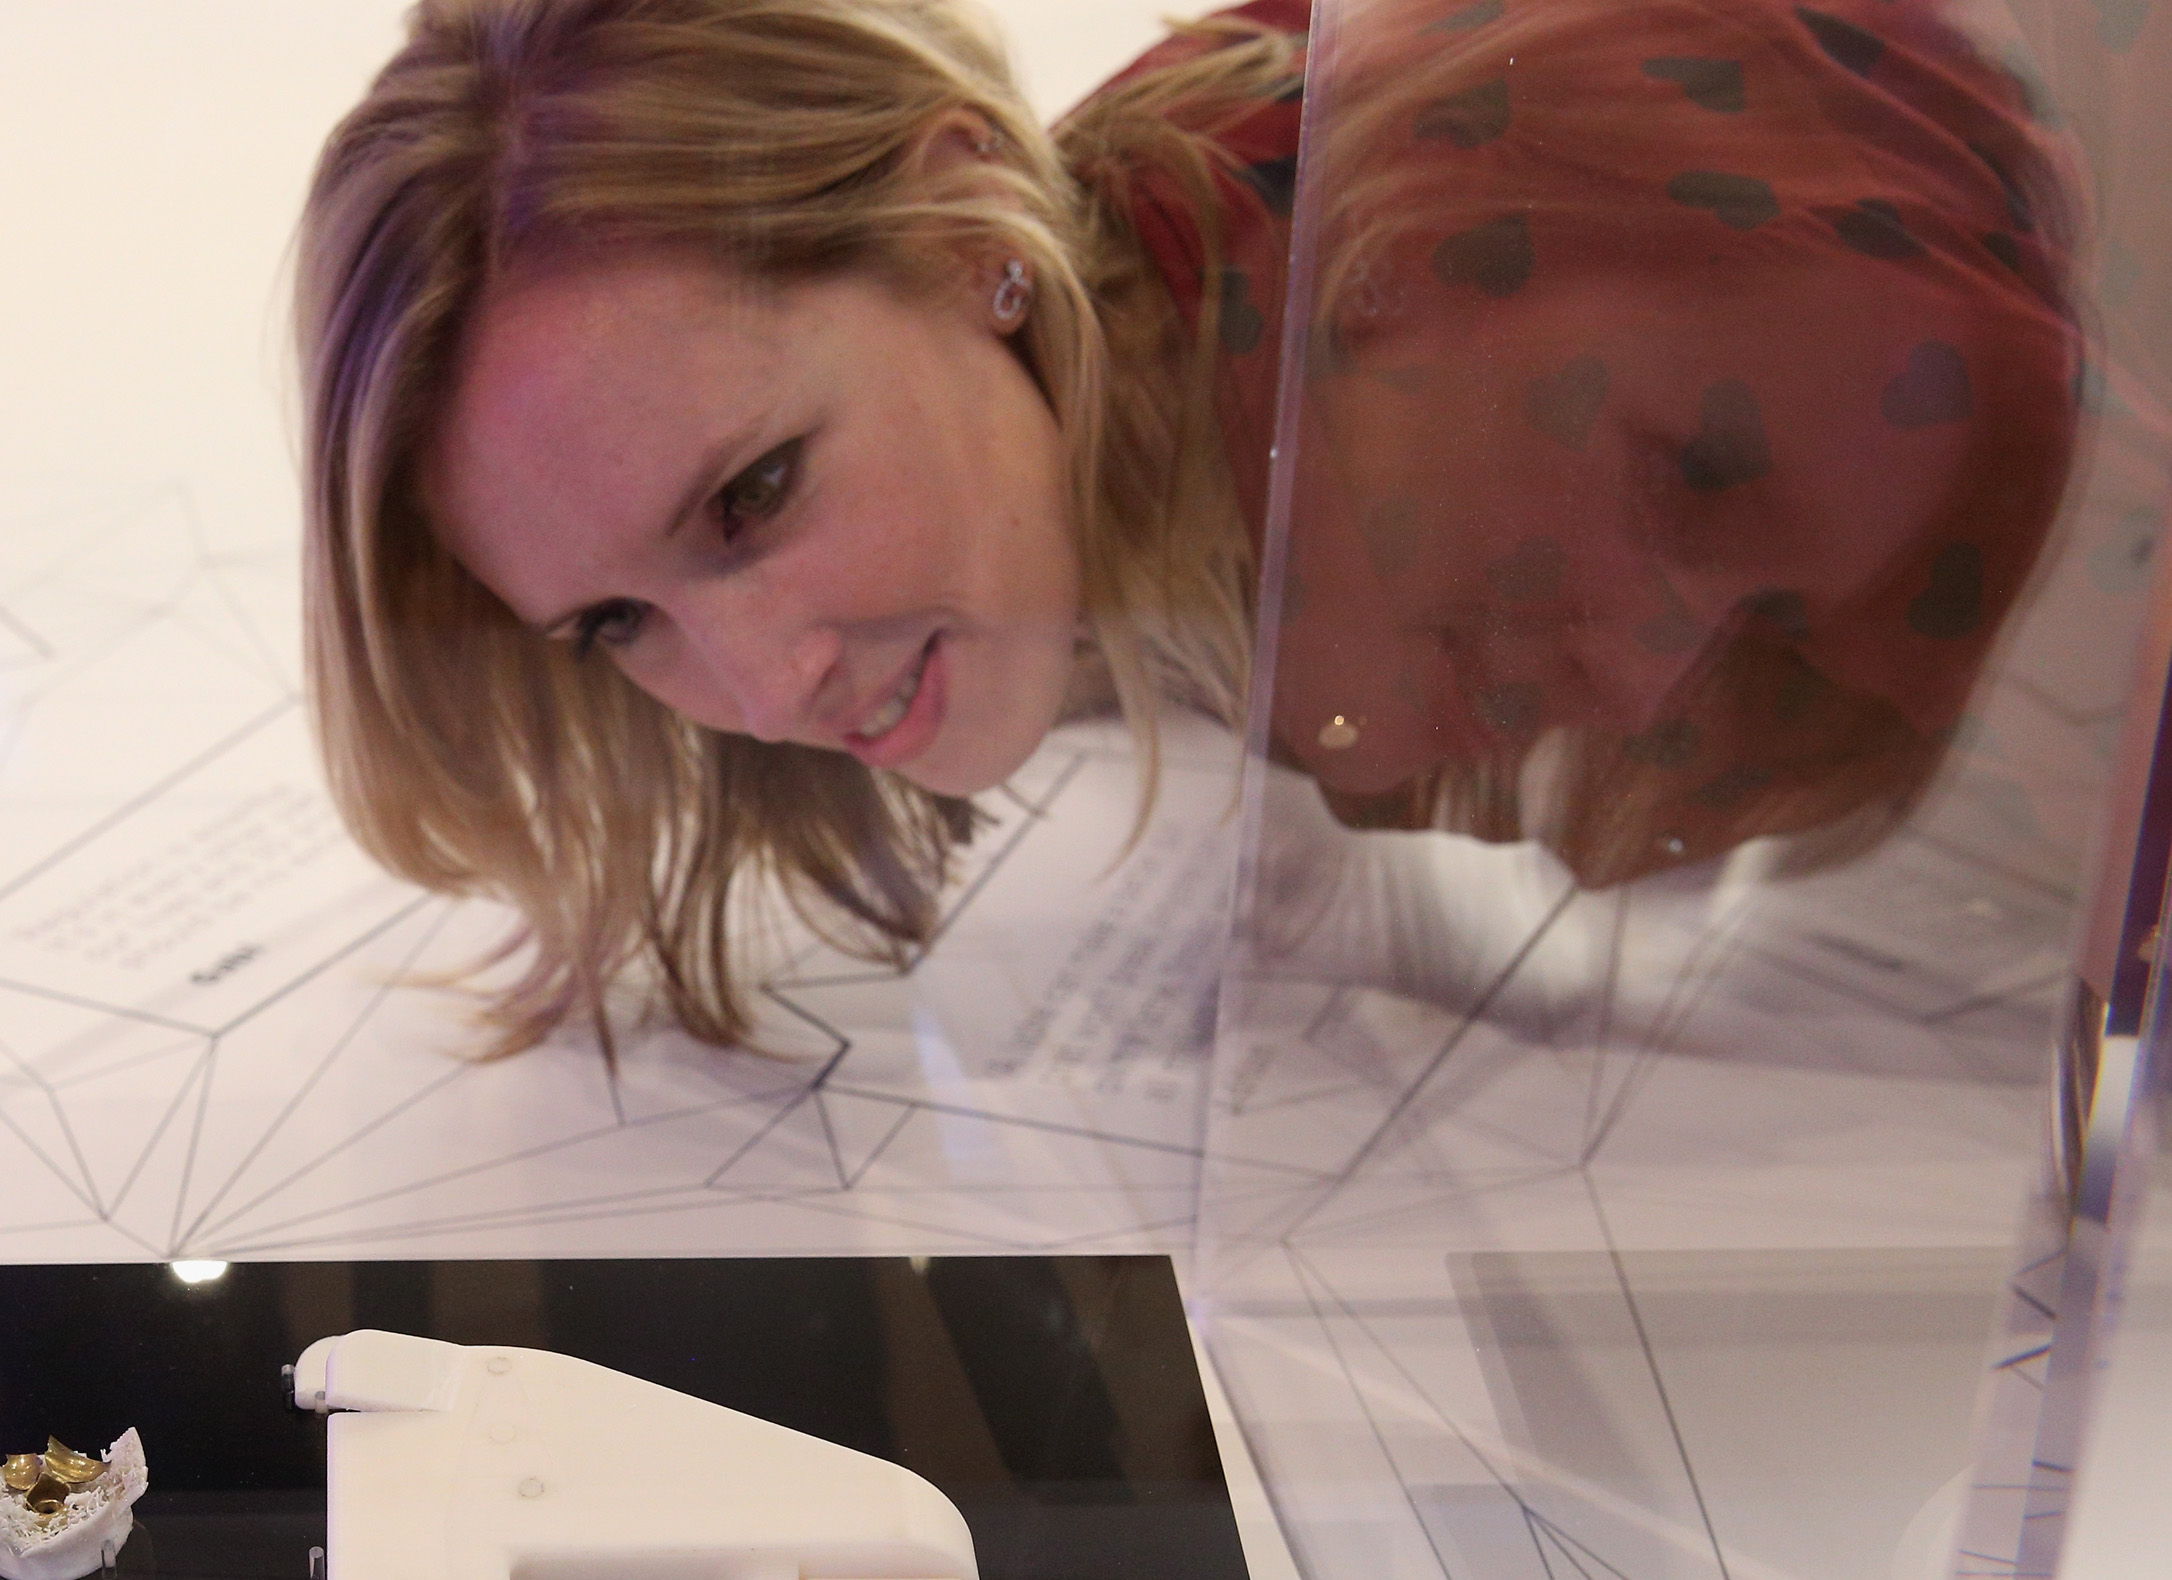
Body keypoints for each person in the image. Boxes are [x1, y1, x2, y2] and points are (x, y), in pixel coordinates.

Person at [293, 0, 2081, 1050]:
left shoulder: (1467, 294)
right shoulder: (1066, 437)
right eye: (616, 623)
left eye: (757, 495)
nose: (763, 684)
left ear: (978, 230)